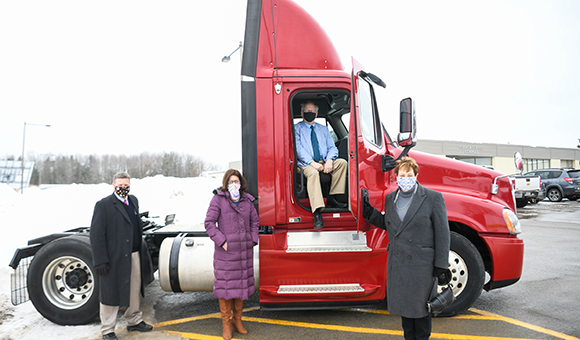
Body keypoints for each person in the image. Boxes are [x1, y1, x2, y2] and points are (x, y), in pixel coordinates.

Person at [362, 157, 450, 340]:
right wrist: (370, 212)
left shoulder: (432, 198)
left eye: (409, 175)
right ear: (396, 177)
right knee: (406, 314)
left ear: (416, 175)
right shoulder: (390, 199)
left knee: (421, 312)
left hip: (422, 265)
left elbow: (443, 233)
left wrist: (441, 264)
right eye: (402, 175)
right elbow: (392, 225)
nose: (406, 178)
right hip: (399, 263)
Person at [90, 172, 154, 340]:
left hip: (133, 254)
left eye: (126, 185)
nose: (123, 188)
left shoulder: (133, 201)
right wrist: (101, 260)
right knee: (110, 293)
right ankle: (108, 330)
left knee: (134, 289)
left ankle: (134, 321)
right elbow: (96, 235)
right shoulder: (103, 205)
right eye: (120, 186)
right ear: (113, 186)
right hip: (114, 257)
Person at [204, 169, 260, 340]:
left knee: (241, 287)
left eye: (236, 181)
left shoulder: (247, 201)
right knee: (225, 288)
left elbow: (255, 222)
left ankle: (237, 319)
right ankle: (226, 324)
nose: (234, 185)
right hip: (226, 253)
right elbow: (209, 223)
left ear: (240, 183)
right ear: (226, 184)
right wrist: (222, 241)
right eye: (231, 182)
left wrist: (252, 240)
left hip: (243, 252)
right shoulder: (218, 199)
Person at [295, 101, 348, 229]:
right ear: (302, 113)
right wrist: (312, 163)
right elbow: (298, 149)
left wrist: (330, 160)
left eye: (312, 111)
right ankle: (317, 211)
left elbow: (332, 147)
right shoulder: (296, 129)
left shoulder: (323, 129)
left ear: (317, 113)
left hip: (323, 161)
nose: (310, 113)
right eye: (307, 111)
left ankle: (332, 198)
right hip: (304, 164)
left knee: (342, 163)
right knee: (313, 174)